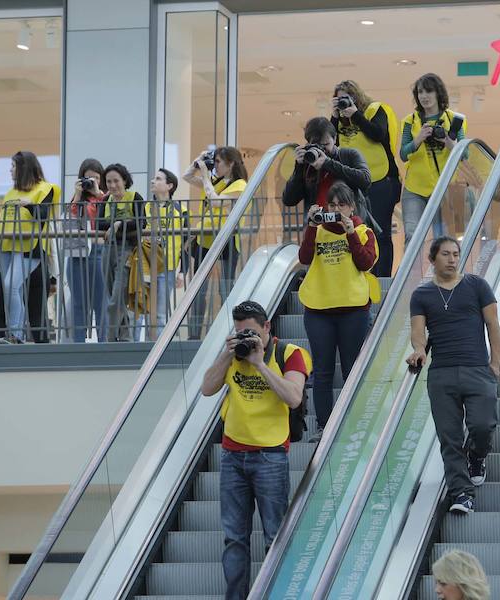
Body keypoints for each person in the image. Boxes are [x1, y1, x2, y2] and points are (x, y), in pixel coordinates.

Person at [200, 300, 311, 600]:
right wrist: (227, 353)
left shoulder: (290, 354)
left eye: (250, 332)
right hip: (232, 454)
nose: (245, 339)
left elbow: (293, 398)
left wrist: (260, 363)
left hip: (270, 456)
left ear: (267, 328)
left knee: (275, 536)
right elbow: (207, 388)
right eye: (239, 333)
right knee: (234, 539)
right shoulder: (233, 356)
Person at [407, 236, 500, 514]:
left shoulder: (477, 286)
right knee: (449, 438)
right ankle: (462, 494)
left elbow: (492, 325)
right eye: (445, 254)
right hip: (442, 374)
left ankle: (477, 455)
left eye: (456, 254)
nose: (452, 259)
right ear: (432, 259)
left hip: (477, 369)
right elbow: (417, 333)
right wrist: (420, 350)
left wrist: (495, 363)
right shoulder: (421, 295)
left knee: (482, 426)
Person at [298, 181, 379, 440]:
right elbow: (304, 257)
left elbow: (366, 262)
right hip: (318, 309)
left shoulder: (364, 231)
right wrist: (311, 226)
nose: (335, 209)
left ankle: (354, 425)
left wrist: (350, 232)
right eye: (331, 204)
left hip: (353, 310)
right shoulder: (318, 229)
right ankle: (324, 427)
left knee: (351, 370)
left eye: (341, 204)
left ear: (352, 206)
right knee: (322, 372)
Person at [331, 80, 400, 277]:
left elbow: (379, 134)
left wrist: (356, 115)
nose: (344, 102)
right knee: (360, 230)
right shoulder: (340, 122)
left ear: (356, 96)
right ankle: (367, 276)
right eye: (339, 99)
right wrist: (334, 118)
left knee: (382, 232)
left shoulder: (375, 110)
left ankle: (383, 277)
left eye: (347, 97)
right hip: (355, 184)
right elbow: (331, 145)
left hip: (382, 180)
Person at [0, 151, 60, 344]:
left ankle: (16, 335)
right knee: (10, 290)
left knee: (10, 286)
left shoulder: (46, 188)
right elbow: (3, 220)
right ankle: (16, 335)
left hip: (30, 248)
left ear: (24, 168)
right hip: (6, 246)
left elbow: (43, 214)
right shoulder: (10, 193)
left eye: (13, 166)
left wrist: (30, 204)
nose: (10, 170)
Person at [184, 146, 249, 339]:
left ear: (230, 164)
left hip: (227, 239)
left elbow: (216, 202)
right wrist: (199, 160)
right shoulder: (215, 182)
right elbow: (187, 176)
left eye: (219, 162)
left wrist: (205, 176)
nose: (215, 166)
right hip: (205, 240)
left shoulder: (240, 185)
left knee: (225, 289)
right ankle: (194, 334)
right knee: (199, 290)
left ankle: (226, 332)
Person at [399, 73, 467, 244]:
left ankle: (444, 271)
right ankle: (412, 271)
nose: (424, 96)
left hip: (445, 188)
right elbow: (403, 155)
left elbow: (465, 154)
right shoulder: (410, 121)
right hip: (415, 188)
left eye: (429, 91)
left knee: (444, 239)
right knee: (412, 236)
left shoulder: (454, 119)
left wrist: (449, 142)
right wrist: (419, 138)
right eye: (420, 92)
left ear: (438, 93)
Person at [282, 117, 371, 216]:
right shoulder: (307, 163)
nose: (322, 150)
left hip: (349, 224)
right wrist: (298, 167)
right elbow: (289, 200)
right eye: (316, 145)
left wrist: (328, 163)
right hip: (319, 226)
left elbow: (365, 180)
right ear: (308, 143)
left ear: (335, 138)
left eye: (325, 144)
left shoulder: (349, 155)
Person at [99, 163, 145, 342]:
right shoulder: (105, 201)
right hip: (108, 250)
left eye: (116, 181)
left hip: (128, 251)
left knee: (116, 298)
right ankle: (125, 337)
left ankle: (110, 339)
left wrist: (119, 224)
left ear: (124, 180)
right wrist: (117, 224)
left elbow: (141, 223)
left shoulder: (135, 197)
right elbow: (98, 224)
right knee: (112, 295)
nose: (112, 185)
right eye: (108, 181)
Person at [140, 168, 188, 336]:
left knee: (160, 314)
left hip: (167, 267)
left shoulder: (180, 209)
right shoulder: (145, 207)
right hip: (146, 265)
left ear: (169, 185)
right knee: (144, 310)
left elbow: (186, 242)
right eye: (153, 178)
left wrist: (183, 271)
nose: (153, 181)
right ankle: (145, 349)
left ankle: (156, 351)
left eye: (158, 179)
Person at [65, 158, 107, 343]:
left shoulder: (105, 198)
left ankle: (103, 342)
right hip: (77, 253)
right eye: (88, 179)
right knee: (78, 303)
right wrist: (77, 194)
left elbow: (107, 215)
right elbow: (69, 217)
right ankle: (78, 343)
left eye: (96, 178)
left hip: (98, 251)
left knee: (101, 302)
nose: (91, 182)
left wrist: (98, 193)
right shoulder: (77, 199)